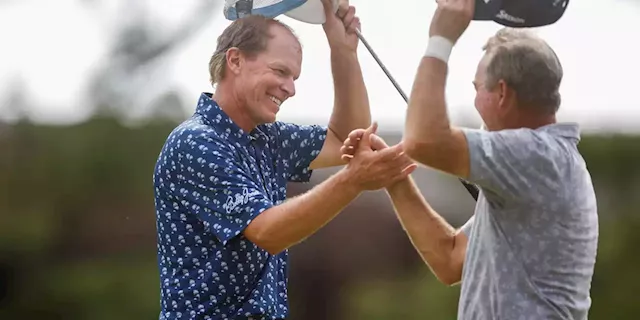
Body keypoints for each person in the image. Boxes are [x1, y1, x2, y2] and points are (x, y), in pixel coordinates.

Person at [151, 0, 415, 319]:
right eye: (280, 71)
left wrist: (343, 51)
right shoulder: (195, 142)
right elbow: (268, 232)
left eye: (294, 77)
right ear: (235, 60)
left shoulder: (268, 138)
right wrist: (354, 180)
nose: (290, 89)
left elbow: (347, 139)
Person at [340, 0, 599, 319]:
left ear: (502, 93)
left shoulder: (537, 157)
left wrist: (441, 38)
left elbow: (423, 140)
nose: (475, 99)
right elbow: (450, 258)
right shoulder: (537, 164)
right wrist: (395, 179)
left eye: (478, 89)